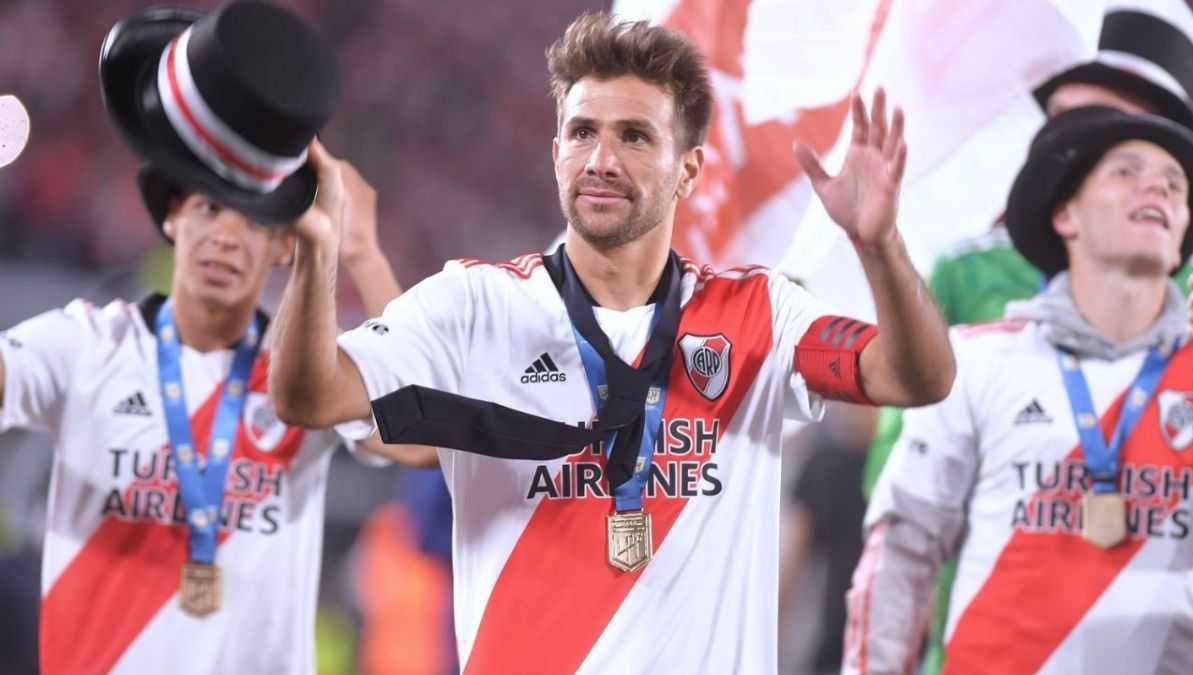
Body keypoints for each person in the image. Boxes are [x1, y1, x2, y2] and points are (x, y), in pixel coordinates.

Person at [269, 11, 954, 673]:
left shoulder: (759, 313)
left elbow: (915, 377)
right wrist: (317, 250)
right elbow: (310, 395)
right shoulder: (474, 306)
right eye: (582, 132)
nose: (601, 159)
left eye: (634, 136)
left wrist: (880, 246)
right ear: (556, 154)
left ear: (689, 169)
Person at [0, 4, 424, 674]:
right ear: (172, 217)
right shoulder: (86, 345)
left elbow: (421, 439)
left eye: (255, 222)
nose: (227, 235)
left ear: (284, 246)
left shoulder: (307, 375)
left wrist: (361, 253)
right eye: (208, 208)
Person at [858, 9, 1193, 671]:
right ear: (1065, 209)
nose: (1061, 134)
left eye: (1097, 119)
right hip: (989, 633)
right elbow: (899, 500)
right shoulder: (969, 281)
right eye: (1059, 116)